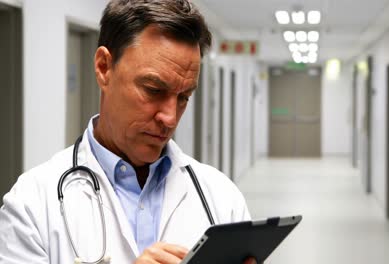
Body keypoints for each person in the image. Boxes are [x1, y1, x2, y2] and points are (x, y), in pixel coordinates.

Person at [0, 0, 256, 263]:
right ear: (103, 67)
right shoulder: (32, 203)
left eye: (183, 97)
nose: (169, 118)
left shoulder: (221, 198)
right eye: (153, 90)